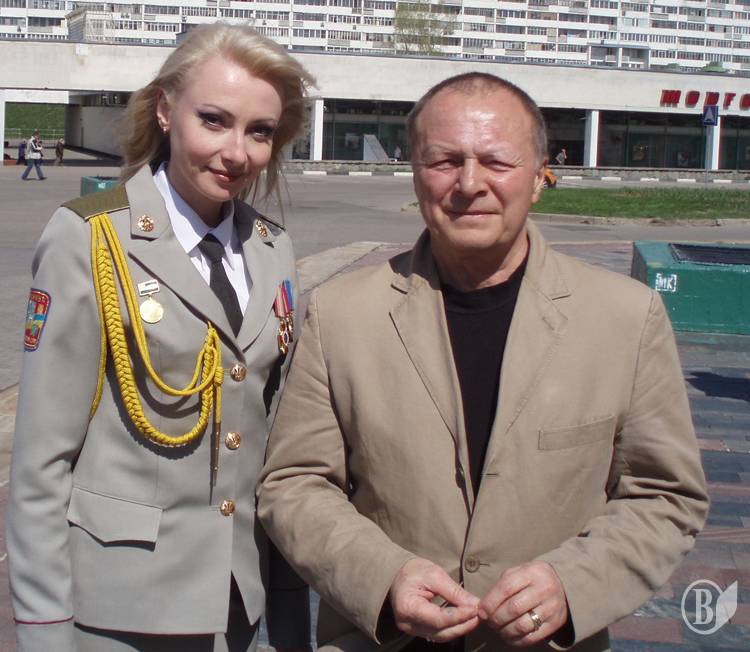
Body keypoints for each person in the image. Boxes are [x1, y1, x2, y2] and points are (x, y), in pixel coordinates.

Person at [257, 73, 709, 651]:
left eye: (497, 161)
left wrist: (574, 585)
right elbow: (294, 483)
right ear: (416, 173)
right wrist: (383, 578)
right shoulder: (341, 313)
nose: (470, 184)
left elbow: (665, 495)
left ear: (540, 176)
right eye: (444, 160)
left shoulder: (625, 317)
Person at [7, 23, 315, 652]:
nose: (237, 153)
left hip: (238, 601)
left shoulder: (272, 248)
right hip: (120, 610)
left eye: (259, 132)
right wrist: (44, 630)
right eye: (214, 120)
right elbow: (41, 462)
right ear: (167, 110)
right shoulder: (91, 239)